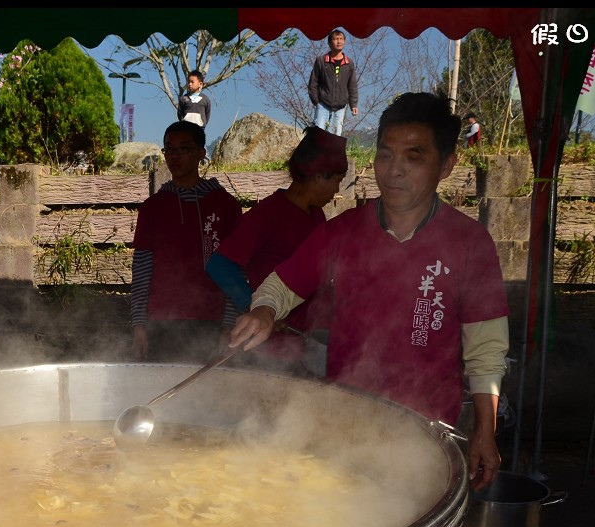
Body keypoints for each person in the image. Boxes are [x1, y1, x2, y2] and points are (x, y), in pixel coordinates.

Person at [230, 92, 510, 491]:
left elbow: (486, 351)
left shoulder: (470, 243)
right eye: (385, 155)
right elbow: (281, 285)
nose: (394, 170)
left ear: (446, 165)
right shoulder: (341, 232)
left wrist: (485, 430)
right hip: (344, 421)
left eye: (413, 157)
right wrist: (264, 311)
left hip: (425, 433)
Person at [205, 126, 348, 376]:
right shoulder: (268, 214)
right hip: (267, 349)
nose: (336, 190)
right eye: (336, 181)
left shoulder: (317, 216)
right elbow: (219, 265)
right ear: (318, 175)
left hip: (302, 342)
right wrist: (257, 310)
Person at [130, 120, 243, 363]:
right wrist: (139, 324)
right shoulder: (153, 208)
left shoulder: (226, 206)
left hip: (211, 322)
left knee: (206, 394)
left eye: (183, 149)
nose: (174, 156)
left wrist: (229, 323)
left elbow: (236, 269)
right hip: (160, 321)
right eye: (169, 149)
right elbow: (142, 268)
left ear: (201, 153)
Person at [308, 29, 359, 136]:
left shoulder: (349, 63)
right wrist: (316, 102)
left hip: (340, 107)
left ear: (344, 41)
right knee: (319, 134)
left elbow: (352, 85)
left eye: (341, 39)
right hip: (323, 104)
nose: (339, 42)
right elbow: (313, 82)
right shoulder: (321, 61)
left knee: (335, 136)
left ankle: (331, 154)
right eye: (336, 39)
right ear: (330, 42)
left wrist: (353, 104)